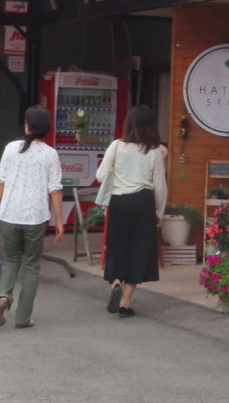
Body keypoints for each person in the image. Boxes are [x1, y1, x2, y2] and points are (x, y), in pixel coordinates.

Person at [0, 105, 64, 329]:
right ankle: (22, 318)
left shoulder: (11, 148)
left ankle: (4, 296)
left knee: (11, 260)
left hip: (9, 214)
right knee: (31, 265)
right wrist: (59, 221)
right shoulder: (50, 154)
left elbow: (0, 181)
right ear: (46, 129)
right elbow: (55, 190)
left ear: (27, 126)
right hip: (35, 217)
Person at [94, 104, 167, 318]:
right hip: (143, 202)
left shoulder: (117, 146)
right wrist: (160, 212)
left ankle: (116, 282)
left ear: (129, 124)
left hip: (119, 201)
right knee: (139, 250)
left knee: (117, 246)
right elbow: (160, 186)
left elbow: (100, 175)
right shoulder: (154, 151)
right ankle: (125, 303)